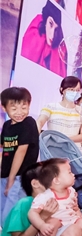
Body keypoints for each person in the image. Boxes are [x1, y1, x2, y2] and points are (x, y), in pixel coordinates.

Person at [1, 88, 39, 226]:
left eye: (24, 107)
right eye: (14, 108)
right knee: (2, 212)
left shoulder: (28, 123)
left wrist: (11, 180)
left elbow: (21, 152)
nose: (19, 112)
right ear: (4, 108)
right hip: (5, 175)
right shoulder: (7, 125)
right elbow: (4, 149)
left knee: (10, 215)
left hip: (20, 176)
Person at [37, 76, 82, 155]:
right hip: (53, 149)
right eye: (71, 90)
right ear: (62, 90)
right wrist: (36, 137)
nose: (75, 93)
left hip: (74, 151)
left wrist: (63, 140)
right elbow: (40, 122)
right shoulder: (50, 107)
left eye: (77, 90)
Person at [21, 0, 67, 77]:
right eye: (50, 24)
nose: (52, 35)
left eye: (56, 29)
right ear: (45, 20)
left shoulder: (61, 45)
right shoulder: (35, 31)